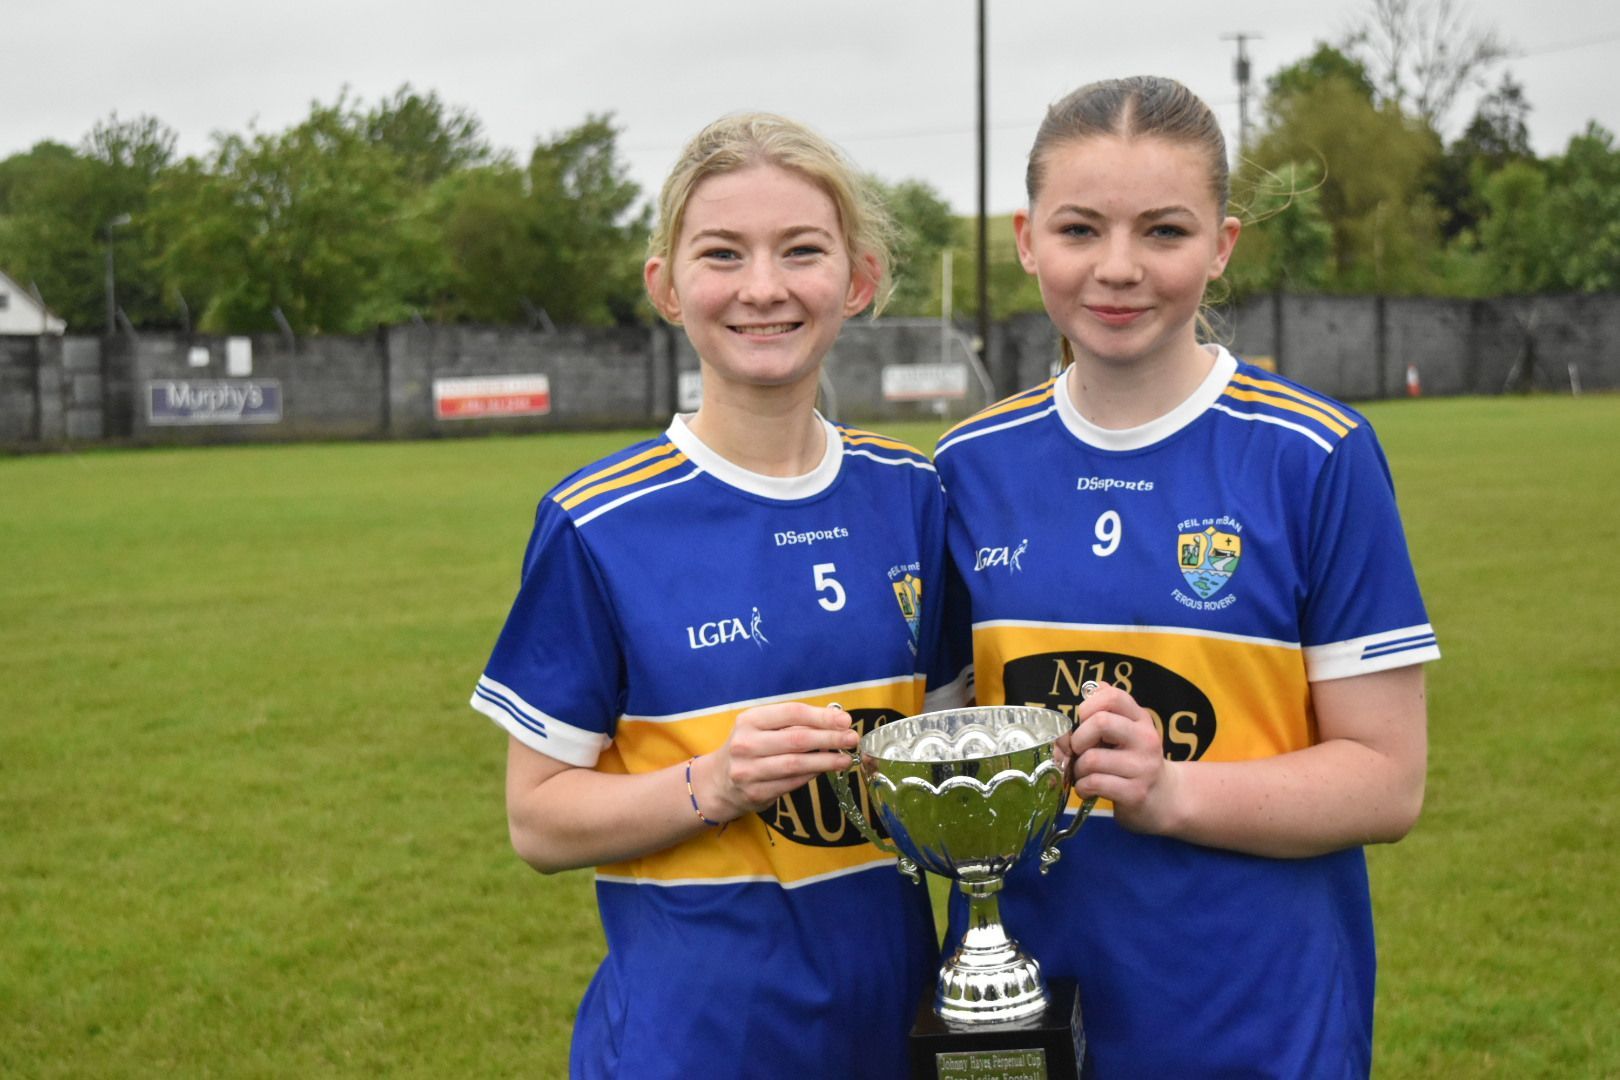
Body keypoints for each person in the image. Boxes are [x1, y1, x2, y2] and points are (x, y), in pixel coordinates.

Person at [934, 76, 1440, 1078]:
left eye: (1164, 231)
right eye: (1080, 229)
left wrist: (1170, 791)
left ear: (1222, 246)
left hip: (1260, 1017)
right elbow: (937, 743)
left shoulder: (1315, 455)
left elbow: (1388, 780)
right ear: (1028, 240)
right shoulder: (966, 468)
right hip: (1024, 1013)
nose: (1119, 267)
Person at [470, 112, 964, 1080]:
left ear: (858, 280)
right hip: (692, 1045)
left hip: (892, 1034)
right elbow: (538, 820)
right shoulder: (596, 522)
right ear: (666, 285)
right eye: (723, 253)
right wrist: (716, 783)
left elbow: (952, 756)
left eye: (802, 250)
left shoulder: (912, 495)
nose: (763, 287)